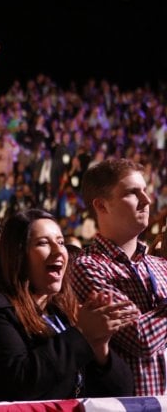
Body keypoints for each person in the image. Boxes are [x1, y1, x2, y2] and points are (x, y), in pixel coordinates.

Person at [0, 209, 135, 402]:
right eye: (43, 243)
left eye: (61, 242)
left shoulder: (61, 311)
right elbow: (21, 383)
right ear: (18, 255)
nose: (58, 251)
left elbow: (122, 391)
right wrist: (82, 334)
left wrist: (100, 348)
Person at [71, 159, 167, 396]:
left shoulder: (160, 266)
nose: (147, 200)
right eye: (132, 193)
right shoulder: (88, 267)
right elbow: (140, 339)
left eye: (145, 191)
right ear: (102, 206)